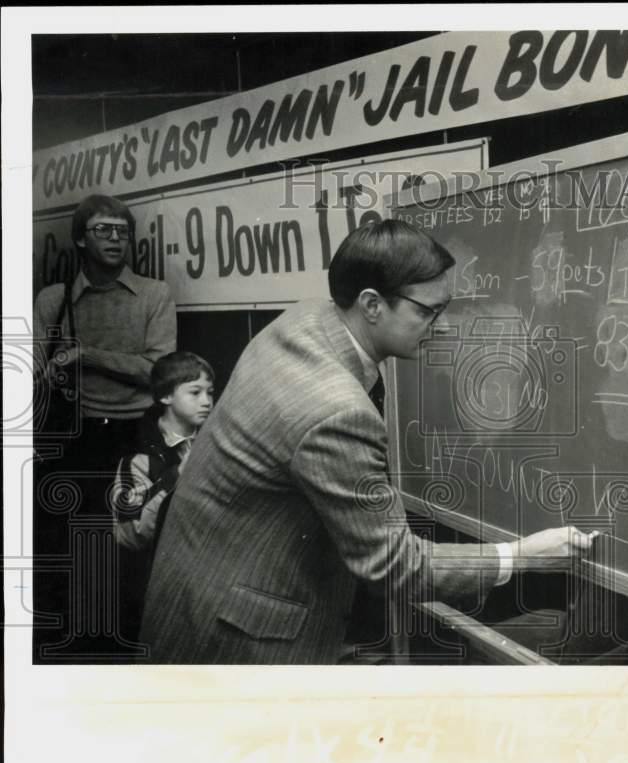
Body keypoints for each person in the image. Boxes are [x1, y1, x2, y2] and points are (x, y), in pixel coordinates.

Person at [140, 219, 598, 664]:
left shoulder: (306, 319)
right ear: (372, 304)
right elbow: (394, 565)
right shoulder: (336, 411)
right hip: (235, 638)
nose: (440, 326)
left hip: (197, 586)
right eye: (426, 311)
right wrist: (519, 556)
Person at [32, 193, 177, 660]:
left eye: (122, 230)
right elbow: (30, 369)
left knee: (131, 548)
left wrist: (86, 355)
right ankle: (74, 652)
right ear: (80, 238)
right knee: (71, 550)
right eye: (103, 230)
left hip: (133, 436)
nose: (116, 239)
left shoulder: (154, 294)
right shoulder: (55, 300)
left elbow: (157, 370)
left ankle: (127, 653)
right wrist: (47, 371)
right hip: (72, 439)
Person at [111, 351, 215, 638]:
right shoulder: (139, 458)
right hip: (164, 587)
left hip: (211, 581)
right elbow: (129, 535)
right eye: (195, 392)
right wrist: (175, 478)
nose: (207, 401)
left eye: (210, 392)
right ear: (166, 397)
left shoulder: (218, 443)